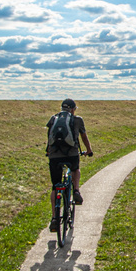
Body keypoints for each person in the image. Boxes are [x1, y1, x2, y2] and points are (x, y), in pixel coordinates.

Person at [46, 98, 93, 233]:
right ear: (73, 109)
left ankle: (55, 218)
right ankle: (76, 190)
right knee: (75, 169)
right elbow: (83, 136)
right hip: (72, 154)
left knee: (55, 187)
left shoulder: (53, 119)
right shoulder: (77, 120)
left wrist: (49, 151)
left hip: (54, 156)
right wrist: (88, 150)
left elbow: (49, 137)